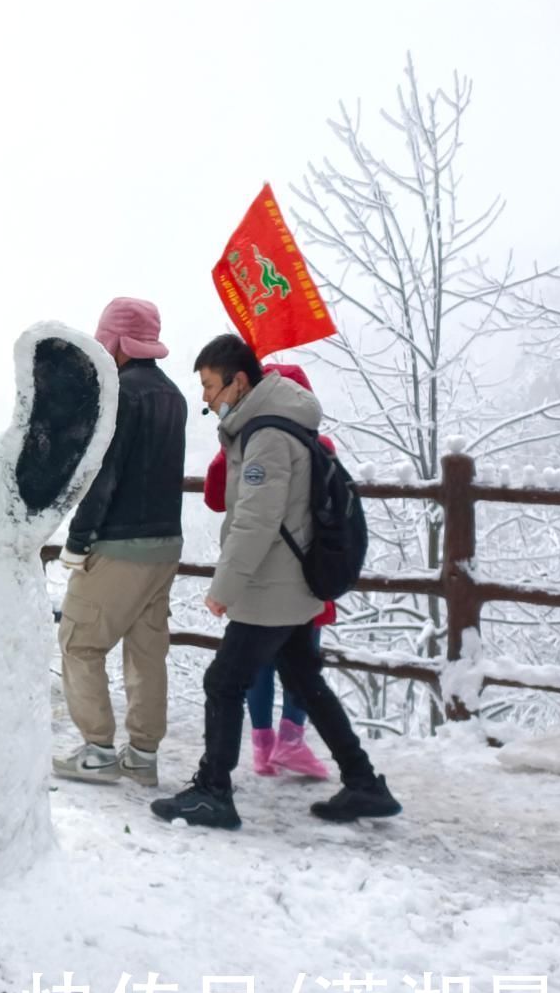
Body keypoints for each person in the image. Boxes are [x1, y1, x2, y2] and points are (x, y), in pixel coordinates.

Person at [151, 333, 400, 829]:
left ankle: (213, 792)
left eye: (210, 386)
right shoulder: (277, 423)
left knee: (223, 682)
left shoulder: (266, 436)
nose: (207, 398)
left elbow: (255, 521)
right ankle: (364, 782)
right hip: (294, 583)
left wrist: (224, 588)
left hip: (273, 587)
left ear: (239, 381)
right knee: (306, 681)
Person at [52, 297, 187, 788]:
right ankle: (143, 754)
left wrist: (79, 540)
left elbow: (103, 476)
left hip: (120, 544)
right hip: (165, 543)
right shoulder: (173, 395)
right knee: (146, 650)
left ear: (116, 341)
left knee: (79, 641)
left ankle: (98, 751)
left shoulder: (122, 396)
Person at [202, 362, 332, 781]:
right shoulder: (320, 445)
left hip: (261, 576)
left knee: (255, 666)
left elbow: (214, 497)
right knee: (303, 662)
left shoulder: (253, 444)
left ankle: (261, 747)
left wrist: (231, 449)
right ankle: (292, 742)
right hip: (307, 572)